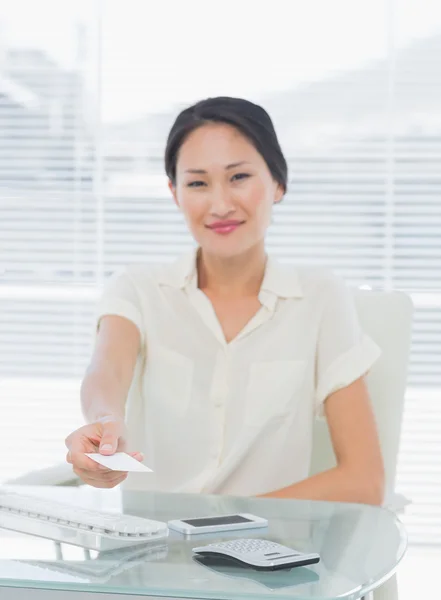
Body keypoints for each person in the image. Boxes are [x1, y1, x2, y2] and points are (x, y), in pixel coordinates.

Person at [65, 96, 385, 504]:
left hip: (265, 553)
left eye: (239, 177)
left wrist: (221, 522)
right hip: (149, 555)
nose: (220, 205)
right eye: (197, 183)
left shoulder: (320, 297)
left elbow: (364, 481)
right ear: (175, 193)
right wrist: (105, 425)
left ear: (278, 183)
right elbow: (106, 371)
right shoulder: (138, 288)